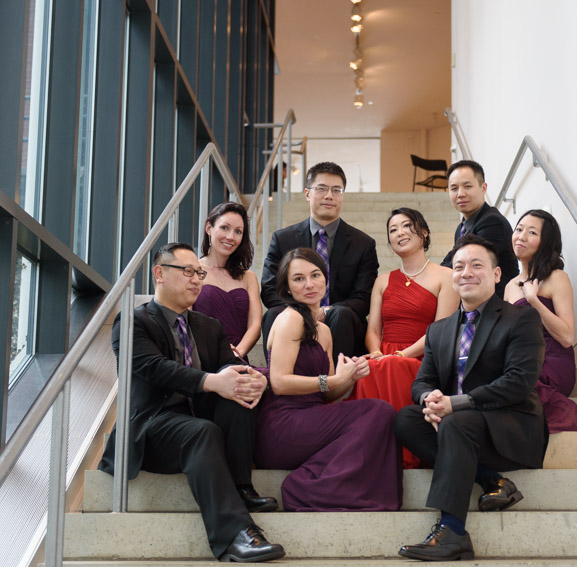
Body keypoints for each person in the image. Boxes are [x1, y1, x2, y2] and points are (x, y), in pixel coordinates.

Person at [98, 243, 285, 563]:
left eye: (199, 273)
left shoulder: (208, 325)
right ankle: (235, 536)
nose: (197, 279)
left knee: (239, 397)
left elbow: (231, 366)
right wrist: (213, 381)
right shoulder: (133, 321)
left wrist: (256, 379)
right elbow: (153, 368)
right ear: (159, 273)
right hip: (152, 423)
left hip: (197, 417)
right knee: (202, 431)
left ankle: (240, 488)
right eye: (188, 272)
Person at [394, 234, 546, 562]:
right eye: (459, 266)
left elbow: (518, 383)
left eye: (477, 265)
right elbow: (422, 381)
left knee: (456, 422)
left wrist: (455, 404)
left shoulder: (521, 319)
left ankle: (452, 531)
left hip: (511, 425)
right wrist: (430, 399)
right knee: (406, 419)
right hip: (459, 425)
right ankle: (491, 480)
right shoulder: (439, 330)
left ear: (495, 274)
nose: (466, 272)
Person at [255, 248, 402, 511]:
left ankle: (323, 481)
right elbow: (279, 382)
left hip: (311, 417)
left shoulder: (323, 329)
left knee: (380, 411)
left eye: (315, 275)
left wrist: (349, 377)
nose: (309, 284)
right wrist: (332, 381)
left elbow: (327, 394)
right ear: (287, 288)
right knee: (379, 411)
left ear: (326, 279)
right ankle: (305, 487)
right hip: (283, 424)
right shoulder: (290, 318)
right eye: (298, 279)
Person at [351, 207, 459, 469]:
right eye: (392, 229)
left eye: (406, 226)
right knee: (366, 367)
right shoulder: (383, 281)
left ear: (423, 232)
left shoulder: (446, 276)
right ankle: (373, 451)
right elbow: (373, 330)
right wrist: (376, 352)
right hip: (385, 353)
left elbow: (440, 329)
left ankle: (405, 452)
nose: (399, 232)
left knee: (393, 365)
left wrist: (403, 354)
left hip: (425, 355)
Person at [260, 161, 378, 364]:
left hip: (340, 320)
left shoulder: (363, 244)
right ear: (307, 193)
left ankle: (334, 385)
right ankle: (279, 380)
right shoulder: (283, 239)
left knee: (341, 314)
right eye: (321, 189)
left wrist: (324, 312)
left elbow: (364, 297)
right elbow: (270, 288)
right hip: (294, 313)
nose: (329, 196)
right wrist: (302, 312)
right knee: (273, 314)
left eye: (336, 190)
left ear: (342, 195)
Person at [504, 209, 577, 433]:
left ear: (545, 242)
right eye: (518, 229)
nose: (520, 236)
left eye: (531, 232)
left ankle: (564, 412)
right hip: (522, 361)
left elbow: (567, 336)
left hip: (553, 361)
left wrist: (534, 301)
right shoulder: (510, 286)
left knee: (513, 379)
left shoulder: (556, 278)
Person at [193, 202, 261, 362]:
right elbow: (185, 322)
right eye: (225, 228)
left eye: (238, 232)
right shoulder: (192, 271)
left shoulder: (249, 277)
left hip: (238, 358)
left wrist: (237, 354)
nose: (231, 237)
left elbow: (255, 325)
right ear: (208, 228)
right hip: (203, 359)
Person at [440, 160, 518, 297]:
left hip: (496, 307)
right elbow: (451, 261)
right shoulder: (462, 227)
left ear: (483, 188)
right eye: (454, 188)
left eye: (467, 186)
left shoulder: (492, 222)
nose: (460, 194)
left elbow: (459, 264)